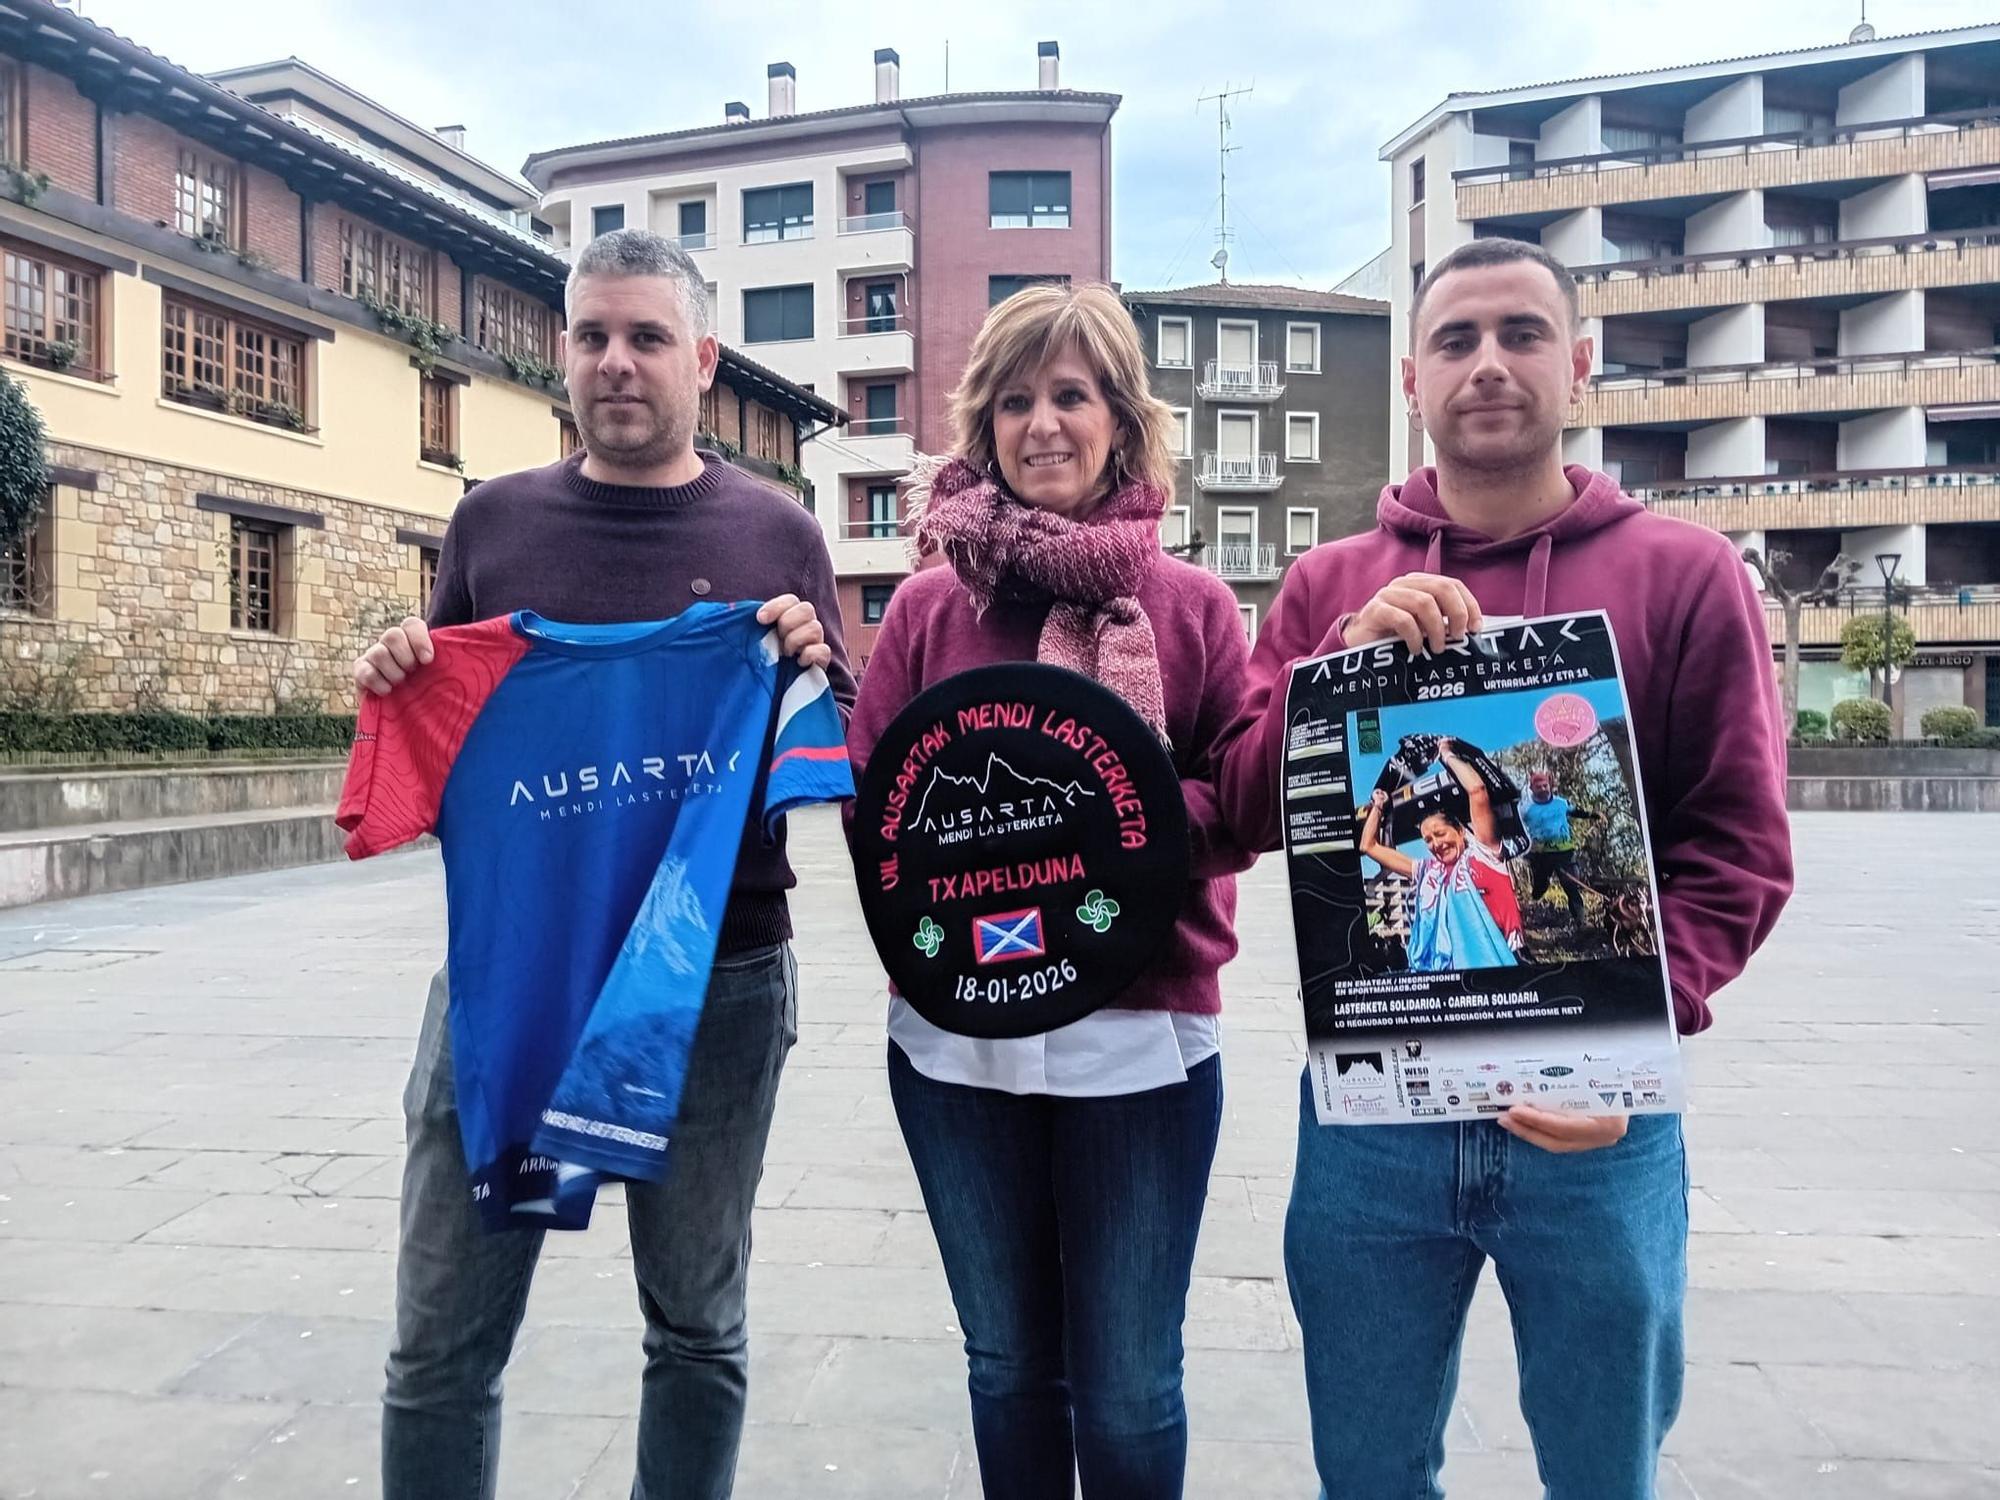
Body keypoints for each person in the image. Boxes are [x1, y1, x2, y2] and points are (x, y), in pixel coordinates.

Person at [1215, 236, 1793, 1500]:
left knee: (1602, 1469)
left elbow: (1738, 849)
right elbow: (1248, 810)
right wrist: (1340, 681)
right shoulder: (1328, 585)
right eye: (1455, 340)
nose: (1487, 365)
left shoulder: (1682, 576)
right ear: (1412, 379)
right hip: (1372, 1125)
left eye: (1521, 335)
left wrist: (1635, 1027)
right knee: (1366, 1471)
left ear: (1576, 366)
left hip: (1596, 1122)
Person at [350, 228, 852, 1500]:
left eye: (643, 337)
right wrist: (403, 675)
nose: (614, 363)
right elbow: (460, 720)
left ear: (703, 357)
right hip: (517, 975)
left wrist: (810, 663)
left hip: (718, 977)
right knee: (439, 1339)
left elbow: (832, 739)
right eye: (589, 337)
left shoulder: (778, 538)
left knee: (696, 1325)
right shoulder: (491, 522)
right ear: (560, 352)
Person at [846, 282, 1253, 1498]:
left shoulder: (1189, 609)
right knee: (1008, 1365)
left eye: (1069, 395)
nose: (1041, 425)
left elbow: (1237, 801)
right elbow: (880, 804)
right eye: (1014, 400)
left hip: (1141, 1043)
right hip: (954, 1046)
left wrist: (1108, 831)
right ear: (983, 425)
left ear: (1119, 418)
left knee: (1129, 1384)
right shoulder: (928, 606)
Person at [1359, 739, 1522, 972]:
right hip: (1435, 976)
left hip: (1493, 974)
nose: (1436, 843)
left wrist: (1445, 753)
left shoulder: (1484, 852)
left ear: (1460, 831)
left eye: (1440, 833)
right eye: (1428, 840)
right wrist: (1378, 806)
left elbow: (1477, 791)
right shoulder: (1426, 870)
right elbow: (1369, 846)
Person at [1522, 769, 1605, 933]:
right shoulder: (1526, 810)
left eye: (1545, 785)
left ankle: (1581, 923)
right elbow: (1515, 826)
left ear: (1550, 785)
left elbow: (1576, 811)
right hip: (1541, 855)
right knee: (1540, 887)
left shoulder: (1561, 803)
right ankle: (1529, 907)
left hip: (1564, 852)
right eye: (1538, 787)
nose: (1543, 789)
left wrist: (1593, 815)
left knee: (1571, 886)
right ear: (1531, 788)